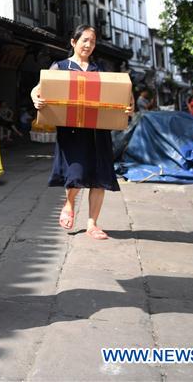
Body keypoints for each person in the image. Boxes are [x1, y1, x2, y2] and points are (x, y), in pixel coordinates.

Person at [31, 25, 133, 241]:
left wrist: (127, 107)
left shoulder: (99, 70)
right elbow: (37, 89)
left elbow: (120, 96)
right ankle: (69, 203)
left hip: (98, 132)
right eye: (84, 40)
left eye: (92, 42)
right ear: (73, 42)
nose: (88, 45)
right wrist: (35, 99)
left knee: (99, 177)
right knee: (76, 174)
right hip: (72, 132)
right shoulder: (60, 67)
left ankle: (92, 224)